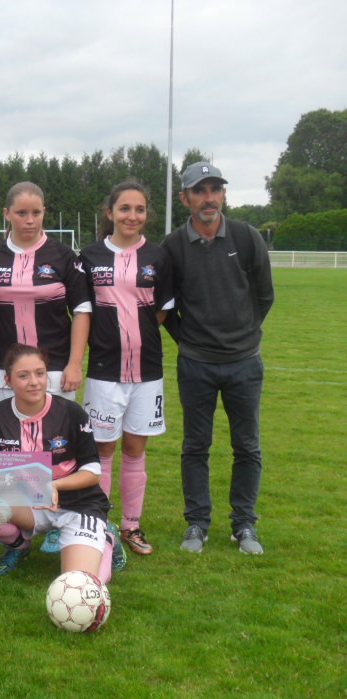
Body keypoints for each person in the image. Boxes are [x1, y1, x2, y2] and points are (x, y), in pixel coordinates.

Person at [162, 162, 274, 554]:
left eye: (215, 189)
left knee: (247, 446)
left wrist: (243, 335)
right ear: (185, 199)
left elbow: (264, 296)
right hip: (196, 364)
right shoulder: (173, 246)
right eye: (200, 190)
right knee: (196, 446)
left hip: (245, 363)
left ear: (223, 194)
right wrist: (190, 340)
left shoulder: (246, 236)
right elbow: (166, 307)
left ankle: (244, 525)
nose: (209, 197)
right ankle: (196, 523)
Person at [0, 181, 92, 554]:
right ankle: (22, 531)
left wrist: (75, 363)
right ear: (6, 214)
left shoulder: (63, 256)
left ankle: (63, 520)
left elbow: (83, 312)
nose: (29, 220)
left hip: (53, 369)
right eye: (21, 213)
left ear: (44, 213)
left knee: (58, 448)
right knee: (10, 447)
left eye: (36, 213)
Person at [80, 181, 174, 556]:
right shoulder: (88, 256)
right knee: (102, 449)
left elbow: (163, 310)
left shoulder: (159, 256)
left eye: (139, 209)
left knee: (135, 448)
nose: (131, 216)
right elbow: (83, 312)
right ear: (110, 212)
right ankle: (101, 526)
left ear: (146, 214)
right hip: (104, 370)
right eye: (124, 209)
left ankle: (132, 525)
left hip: (148, 370)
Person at [0, 344, 121, 582]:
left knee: (84, 581)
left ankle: (106, 537)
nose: (34, 381)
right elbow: (5, 467)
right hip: (30, 502)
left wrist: (53, 486)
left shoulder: (71, 412)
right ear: (8, 380)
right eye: (23, 376)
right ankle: (19, 546)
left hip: (79, 504)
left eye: (40, 373)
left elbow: (93, 471)